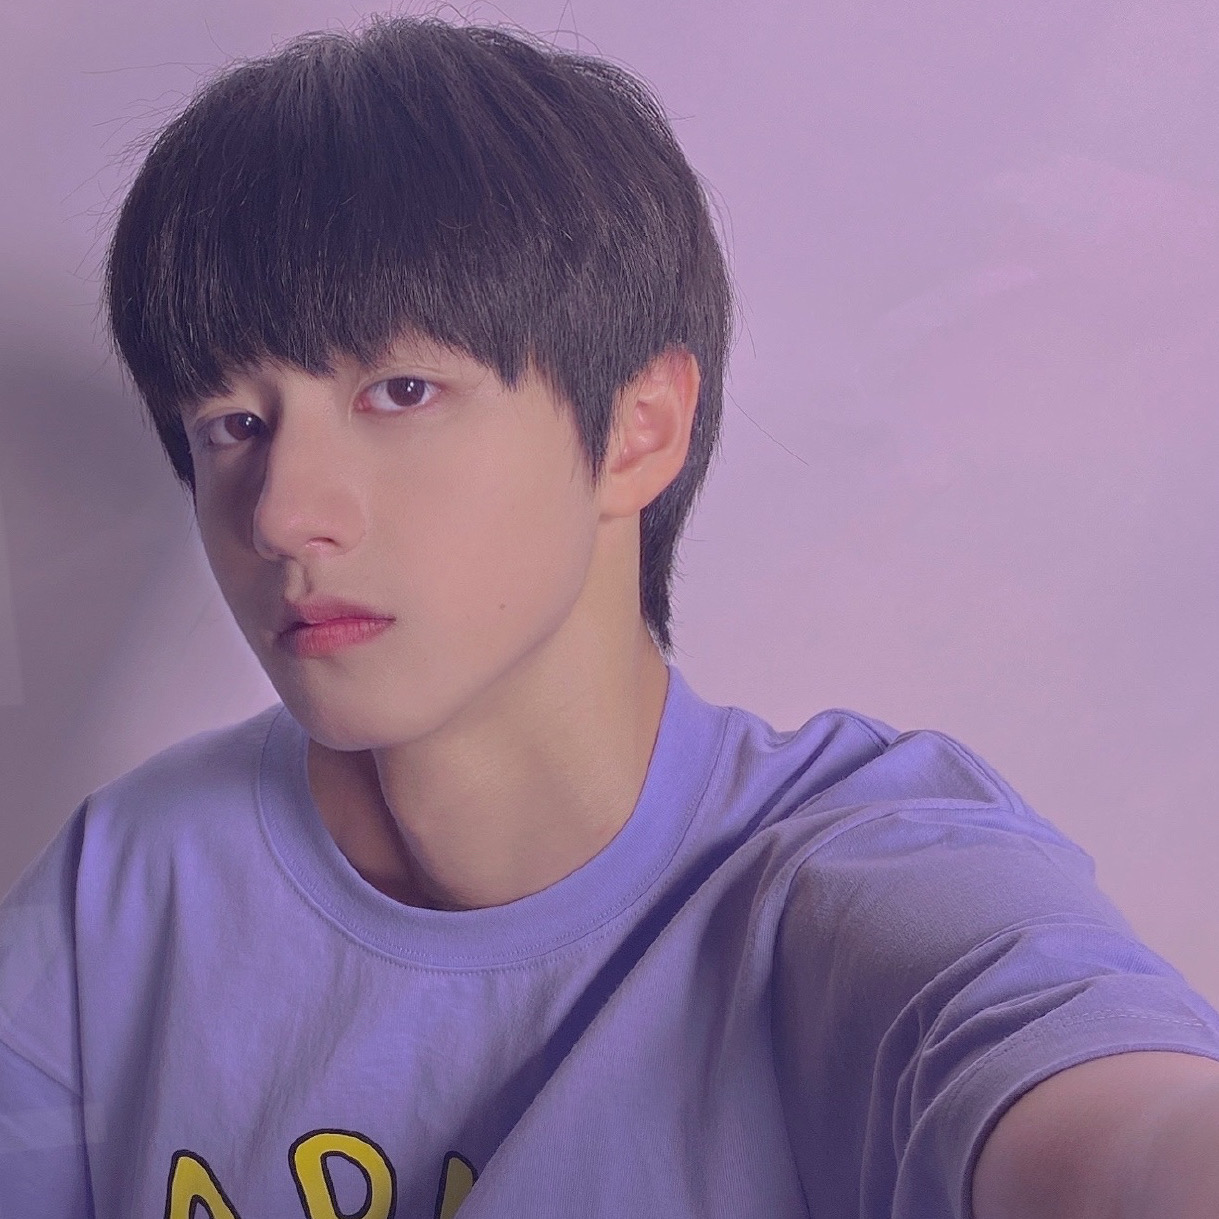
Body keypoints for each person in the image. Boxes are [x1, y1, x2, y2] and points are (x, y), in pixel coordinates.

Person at [2, 12, 1217, 1218]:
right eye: (232, 424)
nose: (282, 514)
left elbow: (1116, 1119)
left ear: (640, 428)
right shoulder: (132, 879)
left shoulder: (858, 877)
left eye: (401, 390)